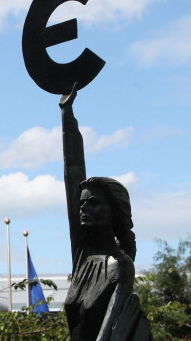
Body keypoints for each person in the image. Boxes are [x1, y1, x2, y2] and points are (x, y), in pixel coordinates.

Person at [60, 84, 151, 340]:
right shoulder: (82, 257)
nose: (83, 208)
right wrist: (66, 114)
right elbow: (73, 172)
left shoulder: (120, 267)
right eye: (82, 203)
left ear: (113, 212)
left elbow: (109, 331)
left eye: (93, 203)